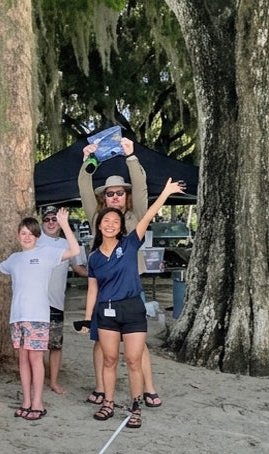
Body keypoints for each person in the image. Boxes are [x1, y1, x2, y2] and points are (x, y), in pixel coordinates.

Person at [83, 178, 186, 429]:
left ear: (121, 227)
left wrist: (166, 192)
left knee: (133, 360)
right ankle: (108, 403)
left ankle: (136, 406)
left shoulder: (129, 244)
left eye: (115, 222)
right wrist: (87, 318)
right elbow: (92, 289)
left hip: (132, 309)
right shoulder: (94, 257)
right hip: (107, 311)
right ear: (99, 225)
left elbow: (148, 215)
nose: (110, 225)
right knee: (109, 360)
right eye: (106, 221)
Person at [77, 137, 157, 411]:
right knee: (101, 341)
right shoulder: (98, 218)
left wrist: (131, 157)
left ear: (126, 195)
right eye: (110, 193)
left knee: (138, 344)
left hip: (131, 288)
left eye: (119, 193)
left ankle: (148, 388)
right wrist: (87, 160)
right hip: (103, 289)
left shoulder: (136, 215)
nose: (114, 197)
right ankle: (101, 387)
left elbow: (142, 188)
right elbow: (84, 188)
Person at [0, 211, 82, 420]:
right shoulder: (15, 259)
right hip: (17, 316)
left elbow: (74, 250)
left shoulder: (47, 252)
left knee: (35, 358)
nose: (27, 237)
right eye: (23, 233)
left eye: (31, 233)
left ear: (37, 236)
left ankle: (38, 401)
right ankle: (26, 400)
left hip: (38, 316)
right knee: (23, 359)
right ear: (18, 236)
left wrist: (65, 224)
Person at [37, 206, 88, 394]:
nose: (51, 223)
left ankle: (54, 381)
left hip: (56, 303)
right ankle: (38, 380)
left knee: (56, 345)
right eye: (47, 219)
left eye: (54, 219)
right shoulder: (34, 241)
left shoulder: (68, 243)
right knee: (37, 346)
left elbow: (79, 268)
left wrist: (99, 274)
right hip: (36, 304)